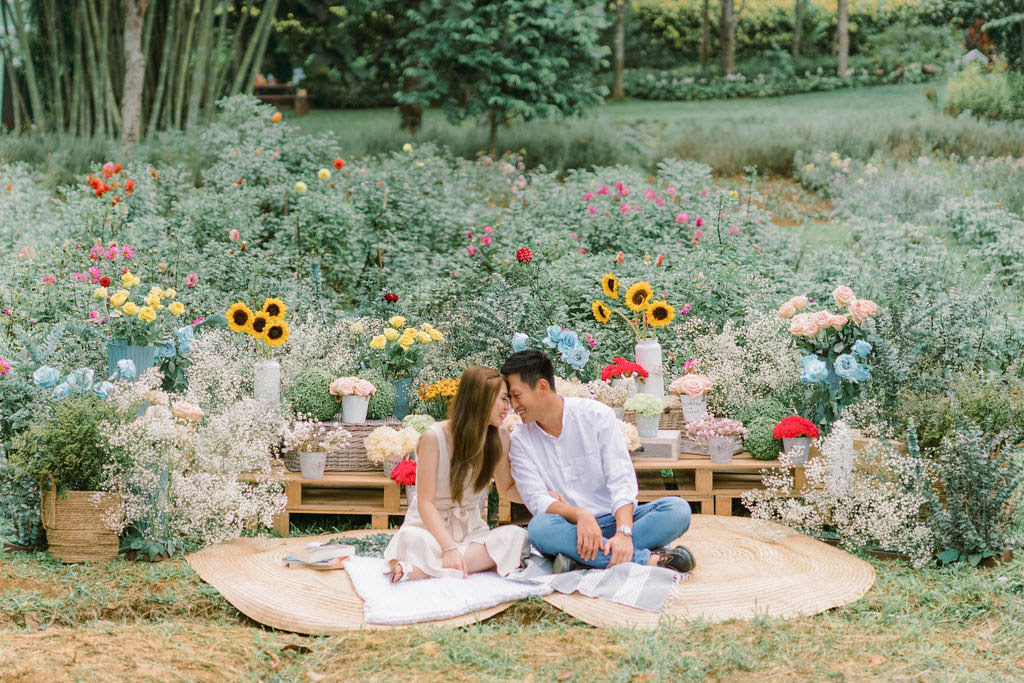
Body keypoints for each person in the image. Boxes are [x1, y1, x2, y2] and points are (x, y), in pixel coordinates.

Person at [500, 350, 695, 573]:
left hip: (614, 518)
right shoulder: (520, 438)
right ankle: (649, 560)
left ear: (542, 387)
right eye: (509, 398)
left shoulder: (595, 415)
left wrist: (623, 532)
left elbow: (620, 477)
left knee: (677, 510)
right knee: (539, 528)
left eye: (516, 395)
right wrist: (580, 515)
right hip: (569, 526)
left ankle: (579, 558)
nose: (513, 405)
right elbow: (536, 499)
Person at [383, 365, 530, 582]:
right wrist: (448, 547)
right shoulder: (434, 438)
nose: (508, 407)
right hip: (429, 530)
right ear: (481, 398)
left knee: (516, 536)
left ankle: (419, 571)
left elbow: (507, 488)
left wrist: (543, 498)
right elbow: (425, 504)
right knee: (411, 539)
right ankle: (456, 563)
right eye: (503, 399)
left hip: (471, 532)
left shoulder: (500, 438)